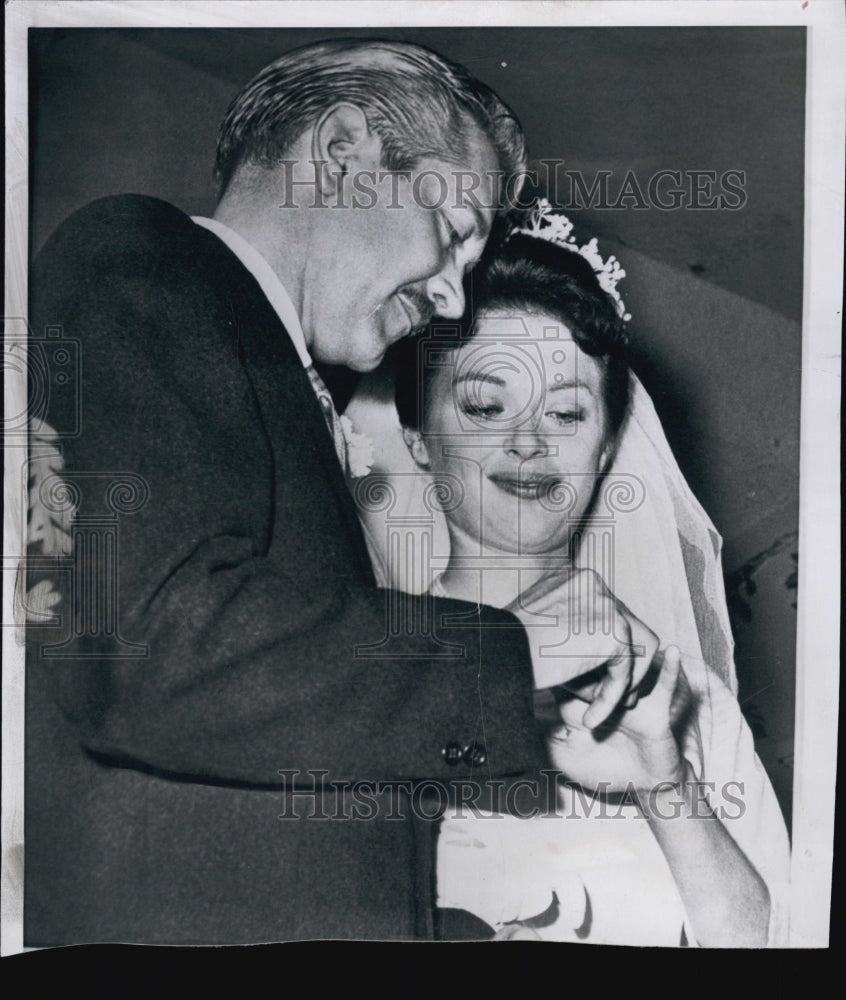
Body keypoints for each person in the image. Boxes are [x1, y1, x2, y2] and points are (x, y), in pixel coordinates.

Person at [24, 41, 655, 946]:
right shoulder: (143, 255)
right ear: (345, 151)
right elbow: (135, 642)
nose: (447, 300)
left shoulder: (284, 377)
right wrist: (505, 655)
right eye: (454, 234)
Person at [364, 205, 791, 945]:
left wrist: (664, 782)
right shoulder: (359, 671)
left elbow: (777, 954)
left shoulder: (690, 703)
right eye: (486, 405)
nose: (529, 443)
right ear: (419, 439)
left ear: (603, 450)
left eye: (565, 414)